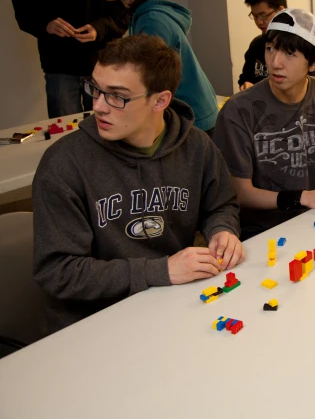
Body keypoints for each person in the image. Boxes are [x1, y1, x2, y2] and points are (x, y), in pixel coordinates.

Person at [32, 34, 243, 336]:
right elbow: (58, 271)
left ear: (160, 100)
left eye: (117, 96)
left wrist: (222, 229)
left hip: (169, 306)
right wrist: (161, 270)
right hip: (91, 326)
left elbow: (220, 205)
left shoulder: (197, 146)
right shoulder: (63, 164)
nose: (99, 107)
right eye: (95, 89)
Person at [212, 9, 315, 240]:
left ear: (313, 62)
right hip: (264, 232)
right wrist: (302, 197)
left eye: (290, 53)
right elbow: (240, 193)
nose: (275, 63)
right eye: (270, 49)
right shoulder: (238, 111)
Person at [101, 0, 219, 134]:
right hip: (190, 114)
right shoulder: (145, 14)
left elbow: (149, 82)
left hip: (191, 119)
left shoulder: (152, 19)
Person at [238, 0, 287, 90]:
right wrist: (246, 84)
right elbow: (245, 78)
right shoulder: (256, 45)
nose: (259, 22)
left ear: (280, 11)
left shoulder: (298, 46)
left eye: (263, 15)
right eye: (255, 16)